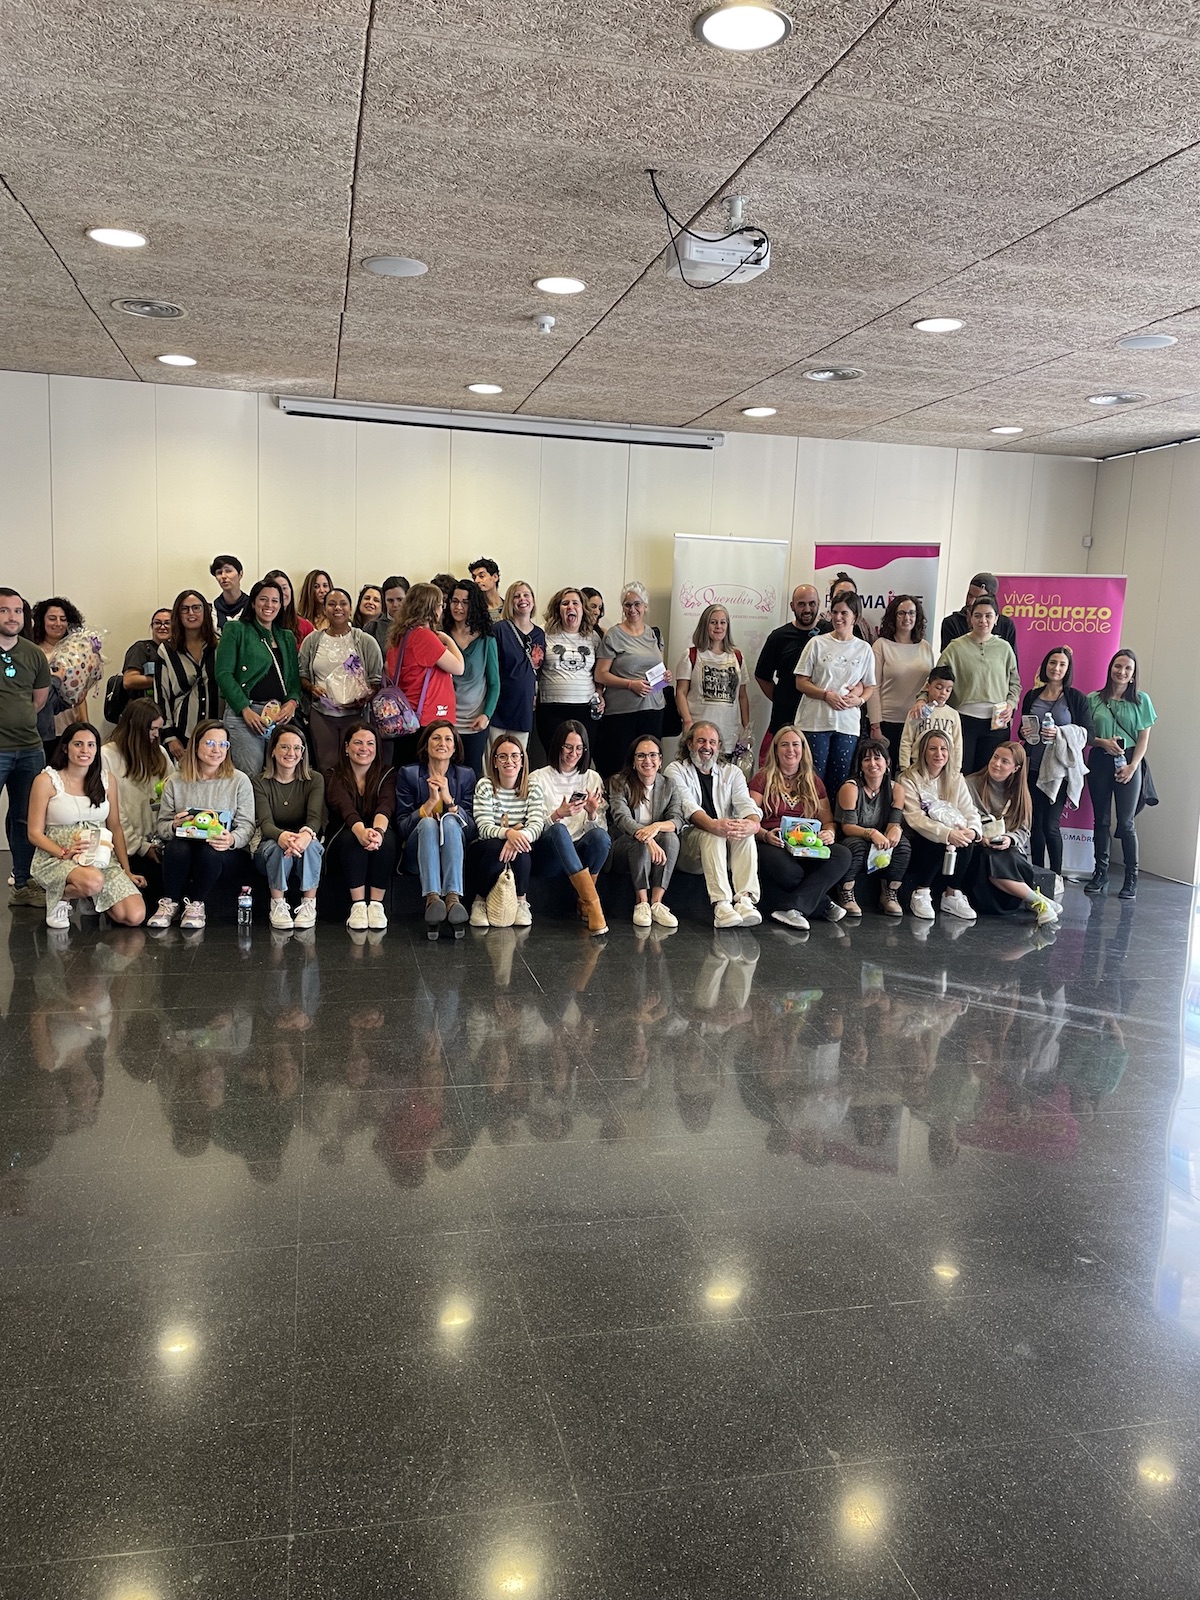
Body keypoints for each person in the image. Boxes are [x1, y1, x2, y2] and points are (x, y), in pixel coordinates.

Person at [27, 722, 146, 929]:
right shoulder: (46, 780)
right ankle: (61, 897)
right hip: (58, 857)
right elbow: (34, 833)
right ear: (65, 747)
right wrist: (64, 852)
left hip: (100, 857)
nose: (85, 750)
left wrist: (126, 869)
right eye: (78, 744)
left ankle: (89, 894)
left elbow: (115, 827)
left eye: (91, 745)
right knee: (93, 881)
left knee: (134, 915)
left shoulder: (106, 780)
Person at [149, 718, 255, 931]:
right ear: (195, 745)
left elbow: (247, 826)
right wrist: (174, 826)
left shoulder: (239, 780)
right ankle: (170, 902)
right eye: (210, 743)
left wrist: (232, 839)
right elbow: (162, 826)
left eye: (223, 744)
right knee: (176, 846)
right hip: (186, 846)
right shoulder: (175, 781)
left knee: (210, 851)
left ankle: (195, 904)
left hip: (225, 851)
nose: (217, 750)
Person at [749, 725, 851, 930]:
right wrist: (765, 835)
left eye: (796, 745)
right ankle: (822, 904)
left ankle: (792, 908)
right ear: (775, 750)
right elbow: (749, 818)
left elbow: (828, 821)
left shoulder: (814, 782)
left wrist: (829, 832)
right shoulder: (762, 778)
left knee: (842, 855)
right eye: (784, 745)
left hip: (806, 845)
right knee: (790, 871)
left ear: (803, 749)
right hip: (772, 842)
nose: (790, 750)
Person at [667, 721, 761, 929]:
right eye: (701, 741)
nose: (707, 747)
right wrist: (715, 826)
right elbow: (688, 806)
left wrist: (753, 825)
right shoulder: (675, 770)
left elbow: (746, 804)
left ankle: (745, 900)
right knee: (713, 833)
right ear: (689, 744)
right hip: (689, 848)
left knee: (743, 832)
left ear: (719, 747)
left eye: (712, 742)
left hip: (723, 845)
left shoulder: (732, 772)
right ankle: (722, 905)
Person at [1019, 646, 1093, 899]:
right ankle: (1037, 873)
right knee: (1035, 825)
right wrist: (1024, 732)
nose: (1056, 668)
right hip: (1033, 767)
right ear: (1045, 665)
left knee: (1051, 825)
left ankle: (1056, 876)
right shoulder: (1032, 695)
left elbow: (1088, 734)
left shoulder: (1076, 698)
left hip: (1058, 772)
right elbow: (1024, 728)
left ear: (1068, 669)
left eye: (1062, 664)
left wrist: (1060, 732)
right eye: (1052, 663)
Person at [1085, 648, 1156, 902]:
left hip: (1129, 763)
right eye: (1118, 666)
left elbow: (1143, 739)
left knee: (1126, 823)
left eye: (1128, 668)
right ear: (1110, 668)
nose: (1122, 672)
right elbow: (1086, 735)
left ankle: (1131, 877)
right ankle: (1100, 873)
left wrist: (1132, 766)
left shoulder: (1141, 700)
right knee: (1101, 820)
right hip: (1099, 761)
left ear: (1134, 674)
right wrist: (1102, 742)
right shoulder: (1093, 699)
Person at [964, 743, 1061, 926]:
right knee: (991, 857)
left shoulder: (1020, 794)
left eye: (1004, 761)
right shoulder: (970, 784)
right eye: (995, 757)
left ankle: (1038, 901)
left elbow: (1023, 831)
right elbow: (963, 818)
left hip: (1008, 853)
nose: (996, 764)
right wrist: (981, 837)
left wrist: (1009, 839)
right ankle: (1039, 901)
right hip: (978, 851)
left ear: (1016, 768)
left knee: (1005, 855)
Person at [530, 720, 611, 935]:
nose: (573, 753)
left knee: (601, 837)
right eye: (568, 747)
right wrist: (558, 815)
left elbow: (601, 831)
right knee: (559, 830)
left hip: (579, 852)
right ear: (558, 745)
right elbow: (532, 828)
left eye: (579, 748)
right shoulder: (538, 778)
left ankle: (584, 901)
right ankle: (593, 903)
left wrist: (592, 813)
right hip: (549, 854)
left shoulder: (592, 778)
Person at [395, 720, 477, 931]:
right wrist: (430, 803)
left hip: (453, 851)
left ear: (455, 747)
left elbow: (470, 830)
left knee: (450, 821)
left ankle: (452, 899)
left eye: (448, 739)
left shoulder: (465, 775)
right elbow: (402, 828)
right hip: (417, 852)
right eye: (436, 738)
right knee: (429, 823)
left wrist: (449, 800)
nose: (442, 743)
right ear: (426, 745)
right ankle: (432, 899)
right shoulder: (409, 774)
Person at [215, 578, 303, 776]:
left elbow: (293, 680)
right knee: (250, 775)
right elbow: (223, 674)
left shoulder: (286, 636)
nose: (269, 605)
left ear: (281, 605)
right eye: (263, 599)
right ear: (253, 603)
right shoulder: (236, 629)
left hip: (279, 716)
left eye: (275, 600)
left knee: (281, 776)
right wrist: (244, 709)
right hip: (245, 716)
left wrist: (292, 702)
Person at [0, 587, 52, 909]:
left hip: (29, 749)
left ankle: (22, 885)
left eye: (17, 611)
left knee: (24, 818)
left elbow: (39, 699)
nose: (12, 617)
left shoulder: (33, 653)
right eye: (4, 610)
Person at [794, 590, 875, 795]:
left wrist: (859, 700)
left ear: (855, 617)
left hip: (847, 725)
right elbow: (801, 682)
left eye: (844, 613)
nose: (838, 618)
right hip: (815, 722)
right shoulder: (817, 643)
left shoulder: (864, 649)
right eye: (835, 612)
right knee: (813, 781)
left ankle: (834, 818)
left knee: (840, 783)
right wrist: (825, 695)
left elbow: (869, 687)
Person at [900, 728, 983, 922]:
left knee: (967, 840)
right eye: (933, 749)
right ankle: (921, 892)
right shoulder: (908, 779)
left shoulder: (956, 778)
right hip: (918, 835)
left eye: (943, 749)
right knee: (941, 840)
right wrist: (947, 833)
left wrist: (973, 830)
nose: (939, 754)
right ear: (923, 752)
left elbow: (969, 810)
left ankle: (952, 894)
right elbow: (915, 818)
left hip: (951, 835)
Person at [298, 587, 383, 774]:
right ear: (324, 609)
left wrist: (365, 697)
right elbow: (302, 675)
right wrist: (311, 688)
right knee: (326, 766)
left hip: (356, 716)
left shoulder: (365, 641)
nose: (337, 608)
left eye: (343, 604)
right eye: (332, 604)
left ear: (350, 608)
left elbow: (376, 681)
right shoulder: (312, 641)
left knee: (355, 767)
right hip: (322, 714)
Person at [467, 735, 547, 928]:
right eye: (502, 756)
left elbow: (537, 825)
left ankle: (521, 902)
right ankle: (479, 901)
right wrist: (509, 834)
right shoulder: (485, 785)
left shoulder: (533, 787)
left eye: (514, 756)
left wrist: (517, 838)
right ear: (494, 762)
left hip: (519, 847)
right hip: (485, 849)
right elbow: (484, 827)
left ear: (522, 760)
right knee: (496, 847)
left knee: (523, 849)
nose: (509, 761)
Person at [323, 721, 396, 931]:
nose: (364, 748)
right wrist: (362, 832)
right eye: (358, 743)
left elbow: (386, 806)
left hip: (377, 832)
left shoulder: (388, 773)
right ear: (347, 747)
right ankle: (358, 906)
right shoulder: (332, 775)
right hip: (342, 836)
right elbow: (345, 808)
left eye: (370, 743)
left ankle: (376, 906)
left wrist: (378, 832)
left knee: (387, 840)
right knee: (352, 839)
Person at [936, 594, 1020, 774]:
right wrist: (922, 699)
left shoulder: (1005, 648)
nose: (983, 620)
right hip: (962, 722)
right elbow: (936, 679)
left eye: (988, 616)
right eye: (978, 615)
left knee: (990, 775)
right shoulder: (955, 647)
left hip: (996, 724)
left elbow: (1015, 683)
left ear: (996, 619)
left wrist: (1011, 704)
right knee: (960, 773)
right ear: (970, 618)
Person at [252, 723, 325, 930]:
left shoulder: (315, 779)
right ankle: (277, 904)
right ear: (273, 750)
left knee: (312, 845)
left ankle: (309, 904)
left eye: (297, 748)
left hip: (304, 839)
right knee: (278, 848)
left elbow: (314, 819)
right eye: (284, 747)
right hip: (270, 842)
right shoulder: (259, 781)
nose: (291, 753)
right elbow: (266, 823)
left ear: (303, 753)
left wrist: (305, 835)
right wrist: (282, 837)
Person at [101, 697, 176, 898]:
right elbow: (115, 815)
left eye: (159, 729)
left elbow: (174, 794)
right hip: (126, 849)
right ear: (136, 726)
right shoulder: (107, 756)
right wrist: (142, 847)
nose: (156, 735)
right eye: (152, 729)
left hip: (159, 842)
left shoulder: (160, 752)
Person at [383, 582, 465, 767]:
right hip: (428, 718)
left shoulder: (400, 637)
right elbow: (459, 667)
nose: (442, 610)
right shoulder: (424, 637)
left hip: (407, 718)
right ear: (432, 608)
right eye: (441, 605)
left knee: (406, 770)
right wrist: (448, 640)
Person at [607, 734, 684, 928]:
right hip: (623, 846)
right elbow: (622, 818)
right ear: (633, 761)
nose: (647, 760)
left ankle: (657, 903)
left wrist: (656, 827)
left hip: (656, 843)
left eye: (652, 755)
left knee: (671, 838)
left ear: (660, 760)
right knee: (639, 841)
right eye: (641, 755)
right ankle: (641, 902)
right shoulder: (619, 782)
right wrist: (648, 838)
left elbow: (677, 819)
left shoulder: (669, 785)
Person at [594, 581, 669, 778]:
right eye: (627, 605)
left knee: (649, 768)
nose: (632, 609)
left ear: (645, 606)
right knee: (620, 767)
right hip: (622, 713)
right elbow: (600, 674)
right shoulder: (614, 635)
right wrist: (630, 684)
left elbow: (658, 668)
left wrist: (665, 676)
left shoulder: (654, 634)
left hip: (653, 709)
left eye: (637, 604)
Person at [834, 737, 911, 917]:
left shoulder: (896, 789)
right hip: (854, 836)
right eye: (867, 759)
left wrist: (896, 829)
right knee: (856, 845)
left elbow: (894, 822)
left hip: (880, 840)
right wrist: (872, 833)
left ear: (887, 762)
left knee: (903, 845)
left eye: (877, 758)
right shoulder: (851, 788)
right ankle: (846, 891)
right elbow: (848, 827)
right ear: (860, 765)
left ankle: (889, 893)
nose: (873, 764)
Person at [868, 595, 934, 770]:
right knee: (885, 774)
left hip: (918, 722)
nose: (907, 618)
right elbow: (873, 687)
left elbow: (930, 685)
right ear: (893, 616)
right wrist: (875, 725)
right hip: (887, 722)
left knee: (913, 774)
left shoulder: (925, 647)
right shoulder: (881, 645)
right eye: (901, 613)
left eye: (911, 613)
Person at [675, 604, 750, 756]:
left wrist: (747, 728)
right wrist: (688, 721)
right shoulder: (691, 655)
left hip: (730, 734)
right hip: (699, 734)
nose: (718, 627)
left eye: (723, 622)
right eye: (713, 622)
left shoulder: (737, 657)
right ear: (705, 625)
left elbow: (742, 696)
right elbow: (681, 692)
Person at [156, 589, 220, 763]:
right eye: (184, 609)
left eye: (196, 608)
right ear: (178, 614)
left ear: (205, 611)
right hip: (182, 733)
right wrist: (169, 736)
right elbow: (161, 695)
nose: (191, 613)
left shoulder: (220, 645)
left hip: (218, 734)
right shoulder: (166, 651)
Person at [754, 584, 824, 738]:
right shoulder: (778, 637)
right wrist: (781, 699)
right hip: (785, 719)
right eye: (801, 604)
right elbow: (761, 675)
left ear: (819, 604)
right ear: (792, 606)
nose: (807, 609)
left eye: (812, 603)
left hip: (820, 719)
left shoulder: (830, 634)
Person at [537, 587, 602, 751]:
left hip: (585, 708)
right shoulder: (543, 633)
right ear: (558, 609)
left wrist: (600, 693)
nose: (570, 607)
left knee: (582, 758)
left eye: (575, 603)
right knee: (555, 757)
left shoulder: (593, 637)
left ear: (583, 609)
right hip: (551, 709)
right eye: (565, 603)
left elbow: (600, 672)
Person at [446, 579, 499, 774]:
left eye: (465, 602)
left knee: (470, 775)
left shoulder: (486, 639)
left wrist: (486, 715)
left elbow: (494, 683)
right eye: (455, 601)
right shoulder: (441, 636)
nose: (458, 607)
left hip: (474, 723)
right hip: (445, 721)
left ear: (474, 605)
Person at [32, 596, 91, 754]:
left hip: (70, 722)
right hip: (42, 726)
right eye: (52, 618)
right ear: (41, 621)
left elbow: (80, 693)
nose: (58, 624)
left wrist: (85, 723)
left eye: (63, 619)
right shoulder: (33, 652)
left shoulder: (77, 651)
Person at [490, 580, 544, 752]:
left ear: (533, 600)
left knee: (518, 757)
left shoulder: (539, 634)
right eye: (516, 596)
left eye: (526, 595)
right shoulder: (499, 629)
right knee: (494, 755)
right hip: (499, 705)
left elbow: (538, 670)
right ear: (509, 602)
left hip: (523, 706)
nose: (522, 599)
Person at [897, 663, 963, 775]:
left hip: (944, 769)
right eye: (938, 688)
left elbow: (957, 744)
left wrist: (955, 770)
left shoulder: (953, 714)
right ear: (928, 686)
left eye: (948, 690)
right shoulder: (917, 711)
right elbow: (906, 740)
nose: (943, 693)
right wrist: (904, 767)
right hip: (917, 767)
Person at [940, 572, 1018, 651]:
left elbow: (1010, 657)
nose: (971, 602)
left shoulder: (1006, 625)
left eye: (978, 598)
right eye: (970, 595)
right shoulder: (952, 623)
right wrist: (972, 631)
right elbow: (950, 656)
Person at [121, 609, 173, 698]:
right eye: (157, 623)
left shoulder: (180, 651)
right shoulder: (141, 648)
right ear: (152, 626)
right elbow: (129, 681)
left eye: (167, 623)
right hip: (145, 704)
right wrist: (164, 681)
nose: (162, 627)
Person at [263, 569, 311, 645]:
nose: (282, 593)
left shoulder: (305, 626)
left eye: (284, 588)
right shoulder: (261, 625)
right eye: (277, 589)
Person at [210, 554, 248, 632]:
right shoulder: (213, 609)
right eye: (219, 572)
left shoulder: (251, 605)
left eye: (228, 571)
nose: (223, 576)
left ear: (240, 574)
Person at [374, 575, 410, 652]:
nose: (395, 605)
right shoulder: (373, 627)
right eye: (390, 600)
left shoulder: (416, 626)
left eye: (400, 599)